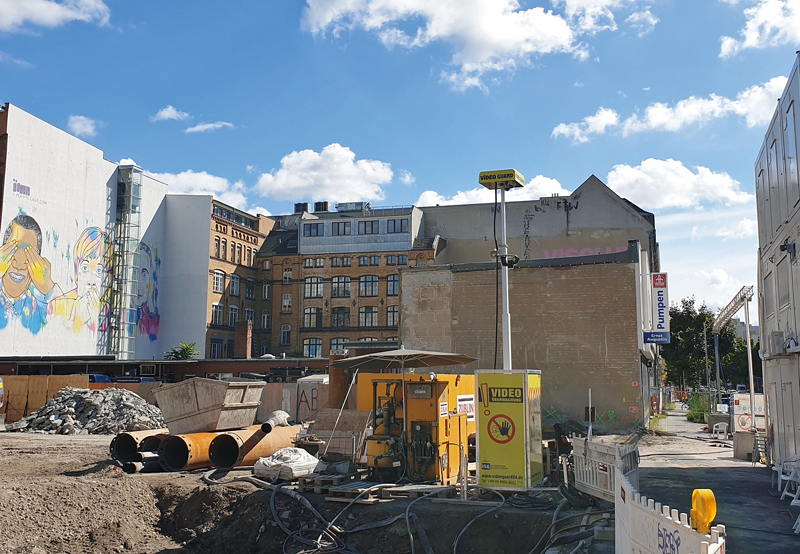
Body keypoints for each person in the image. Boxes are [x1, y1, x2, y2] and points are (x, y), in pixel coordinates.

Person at [0, 215, 61, 334]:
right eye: (13, 250)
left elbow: (68, 326)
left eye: (28, 254)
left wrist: (48, 287)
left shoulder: (43, 307)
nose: (19, 265)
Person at [49, 227, 113, 333]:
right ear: (76, 274)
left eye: (99, 271)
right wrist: (75, 320)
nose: (91, 282)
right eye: (85, 268)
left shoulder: (112, 313)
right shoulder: (58, 306)